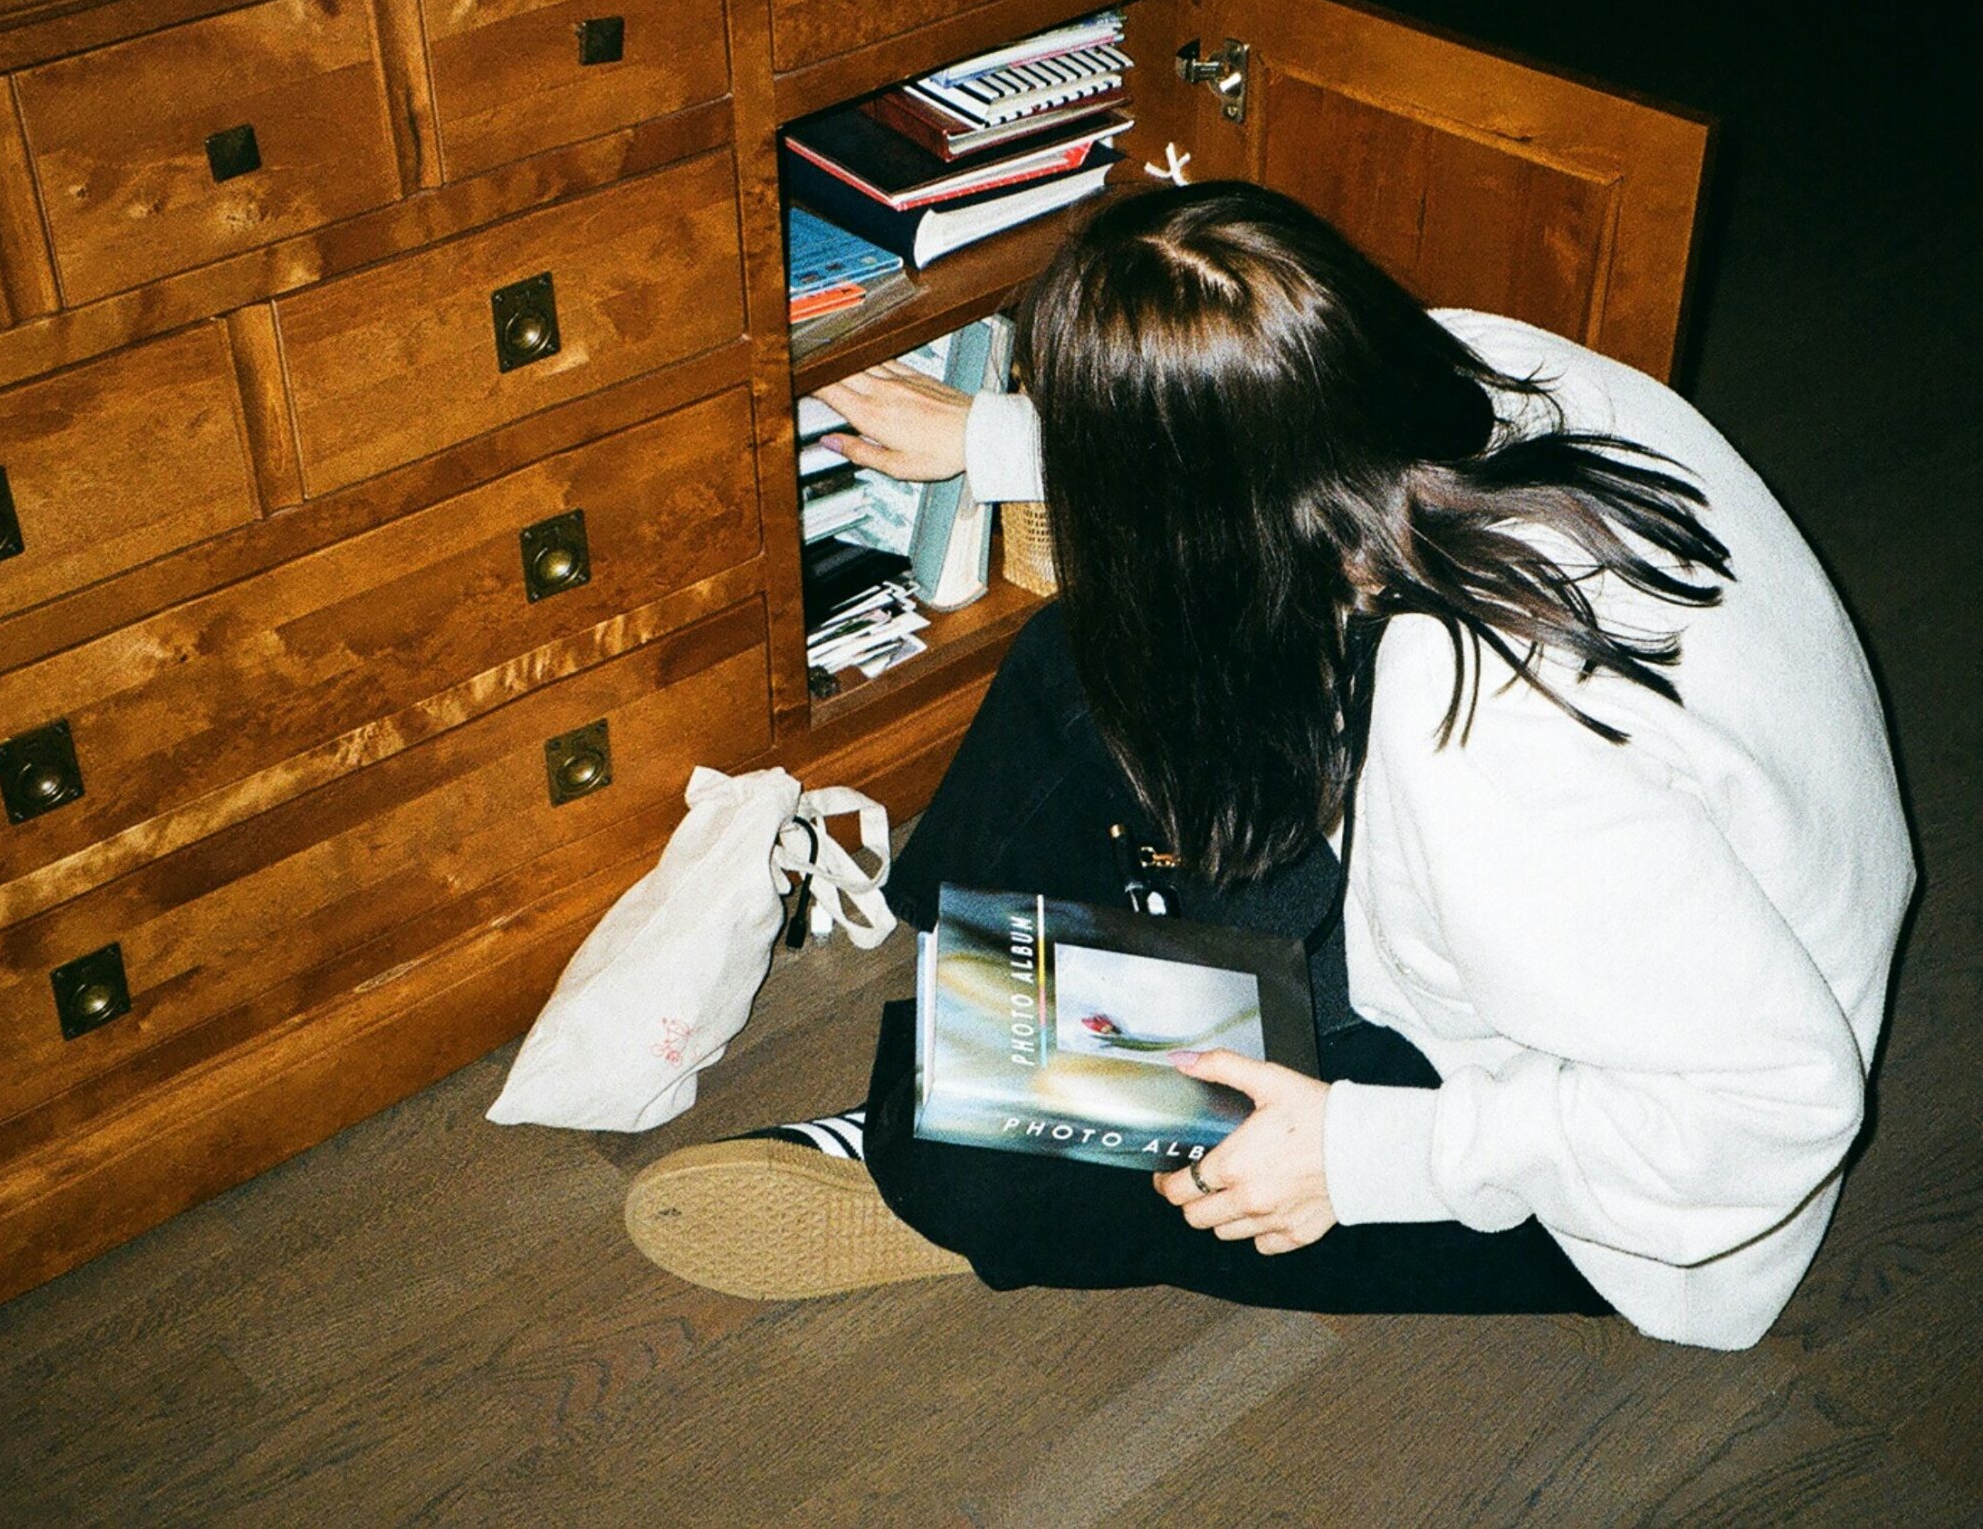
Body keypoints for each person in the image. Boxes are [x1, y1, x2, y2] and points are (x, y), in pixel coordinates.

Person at [623, 181, 1914, 1350]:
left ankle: (934, 1151)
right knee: (1070, 664)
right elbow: (1247, 433)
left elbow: (1787, 1106)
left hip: (1637, 1157)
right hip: (1634, 912)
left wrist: (1364, 1156)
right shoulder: (1472, 368)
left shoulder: (1487, 751)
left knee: (985, 1172)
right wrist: (993, 438)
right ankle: (960, 1029)